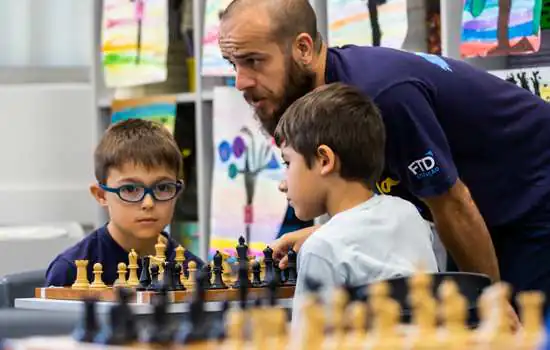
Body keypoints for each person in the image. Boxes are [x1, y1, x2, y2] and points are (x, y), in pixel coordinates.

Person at [218, 0, 550, 311]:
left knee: (505, 324)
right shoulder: (328, 104)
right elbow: (391, 199)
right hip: (479, 209)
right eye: (233, 64)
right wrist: (331, 233)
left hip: (533, 194)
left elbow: (452, 202)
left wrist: (491, 305)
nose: (241, 82)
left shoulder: (382, 97)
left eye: (254, 61)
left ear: (303, 48)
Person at [273, 82, 438, 327]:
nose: (282, 184)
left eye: (288, 163)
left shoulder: (321, 249)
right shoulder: (410, 215)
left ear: (324, 160)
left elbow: (306, 341)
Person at [45, 119, 203, 286]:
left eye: (163, 187)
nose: (148, 203)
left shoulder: (194, 273)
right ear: (101, 195)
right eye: (130, 189)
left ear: (178, 192)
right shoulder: (69, 272)